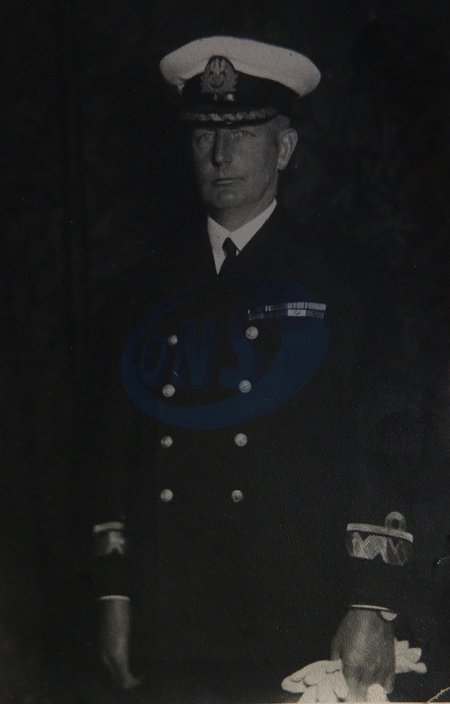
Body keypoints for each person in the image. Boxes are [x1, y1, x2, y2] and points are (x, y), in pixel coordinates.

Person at [87, 36, 448, 703]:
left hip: (299, 614)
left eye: (243, 134)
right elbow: (115, 453)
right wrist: (115, 592)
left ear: (284, 149)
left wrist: (371, 603)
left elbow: (390, 447)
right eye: (204, 136)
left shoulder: (347, 283)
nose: (220, 157)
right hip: (174, 614)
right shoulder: (145, 290)